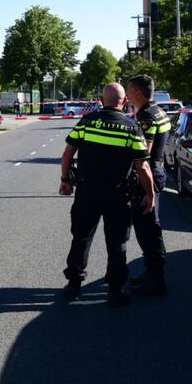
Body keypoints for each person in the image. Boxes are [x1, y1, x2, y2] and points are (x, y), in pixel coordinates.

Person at [59, 82, 155, 307]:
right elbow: (143, 167)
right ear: (124, 101)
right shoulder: (132, 127)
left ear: (102, 100)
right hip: (118, 196)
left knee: (81, 238)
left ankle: (74, 285)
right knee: (117, 243)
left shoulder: (87, 121)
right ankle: (115, 290)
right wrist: (150, 194)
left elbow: (67, 153)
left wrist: (65, 180)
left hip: (87, 193)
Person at [125, 74, 173, 295]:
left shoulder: (146, 117)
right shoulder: (159, 111)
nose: (126, 94)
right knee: (150, 227)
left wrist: (146, 188)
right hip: (158, 171)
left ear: (138, 93)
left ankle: (156, 279)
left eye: (129, 90)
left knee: (147, 230)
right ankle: (153, 274)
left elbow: (143, 153)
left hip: (149, 176)